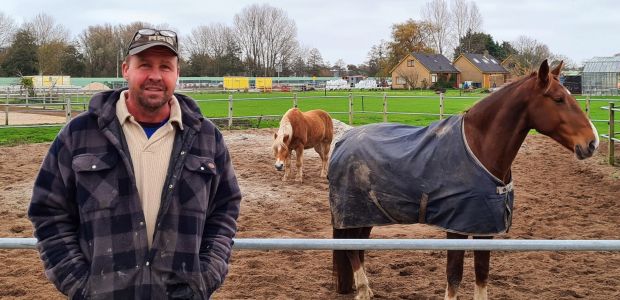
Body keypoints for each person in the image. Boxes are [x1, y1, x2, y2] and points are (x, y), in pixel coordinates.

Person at [28, 28, 242, 300]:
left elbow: (225, 208)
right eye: (144, 65)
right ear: (126, 69)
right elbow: (48, 212)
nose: (155, 75)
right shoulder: (78, 135)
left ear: (177, 74)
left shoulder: (207, 138)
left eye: (165, 66)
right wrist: (82, 286)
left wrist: (207, 274)